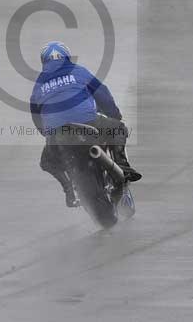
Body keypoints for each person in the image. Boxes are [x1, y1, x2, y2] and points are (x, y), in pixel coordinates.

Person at [30, 42, 141, 208]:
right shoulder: (78, 71)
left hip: (57, 133)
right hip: (87, 121)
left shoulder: (39, 83)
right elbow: (102, 93)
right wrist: (114, 115)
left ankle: (68, 189)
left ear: (44, 62)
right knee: (118, 128)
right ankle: (122, 165)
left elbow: (35, 113)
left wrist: (48, 134)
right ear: (67, 57)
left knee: (47, 162)